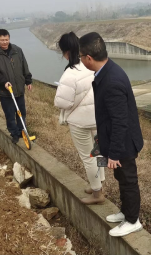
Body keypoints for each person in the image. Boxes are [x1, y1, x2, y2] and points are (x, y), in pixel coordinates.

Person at [79, 32, 144, 237]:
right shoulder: (107, 71)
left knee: (128, 180)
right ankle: (125, 212)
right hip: (117, 140)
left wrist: (114, 153)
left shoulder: (112, 80)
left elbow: (120, 121)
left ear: (88, 58)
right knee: (121, 177)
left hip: (124, 143)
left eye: (81, 56)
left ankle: (133, 220)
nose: (80, 60)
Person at [54, 32, 105, 205]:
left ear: (65, 52)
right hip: (97, 118)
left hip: (80, 122)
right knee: (98, 152)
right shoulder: (90, 65)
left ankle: (97, 194)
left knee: (88, 157)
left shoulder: (70, 73)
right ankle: (99, 183)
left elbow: (62, 102)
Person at [0, 29, 32, 144]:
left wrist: (28, 80)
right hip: (5, 91)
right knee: (10, 114)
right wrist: (4, 82)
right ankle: (14, 134)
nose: (5, 42)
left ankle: (23, 132)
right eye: (2, 40)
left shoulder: (17, 50)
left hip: (19, 89)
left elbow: (24, 66)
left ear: (9, 39)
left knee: (21, 112)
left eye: (6, 39)